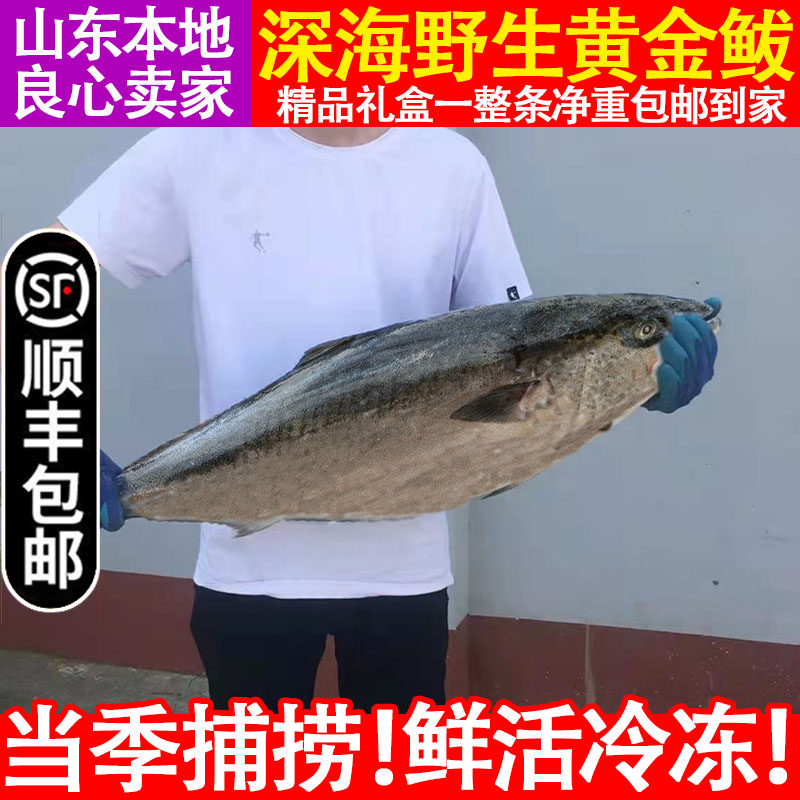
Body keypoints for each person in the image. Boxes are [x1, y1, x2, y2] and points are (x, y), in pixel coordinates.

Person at [58, 126, 718, 712]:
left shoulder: (452, 164)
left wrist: (633, 389)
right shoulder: (196, 149)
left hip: (404, 577)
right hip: (250, 572)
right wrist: (49, 426)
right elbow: (42, 275)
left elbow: (519, 351)